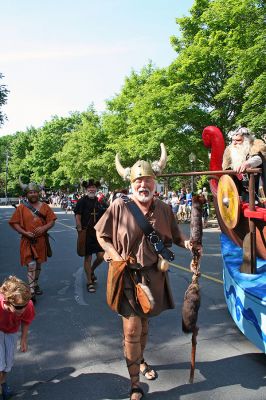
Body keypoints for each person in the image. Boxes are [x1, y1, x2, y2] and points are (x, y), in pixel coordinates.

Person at [95, 144, 198, 400]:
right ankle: (135, 383)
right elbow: (101, 234)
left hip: (153, 275)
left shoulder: (164, 208)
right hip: (126, 274)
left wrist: (188, 243)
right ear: (132, 184)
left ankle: (140, 359)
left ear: (155, 183)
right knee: (131, 329)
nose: (144, 185)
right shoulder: (119, 205)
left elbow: (176, 235)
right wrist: (114, 255)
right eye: (139, 181)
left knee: (144, 325)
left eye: (148, 180)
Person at [9, 179, 57, 303]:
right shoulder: (21, 208)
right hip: (27, 241)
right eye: (30, 192)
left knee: (38, 264)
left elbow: (52, 220)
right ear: (27, 194)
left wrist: (44, 228)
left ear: (38, 193)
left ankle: (34, 284)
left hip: (41, 241)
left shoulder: (45, 206)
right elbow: (14, 223)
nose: (33, 194)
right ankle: (31, 291)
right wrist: (25, 233)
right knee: (31, 265)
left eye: (35, 192)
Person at [0, 276, 35, 400]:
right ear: (7, 301)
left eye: (25, 305)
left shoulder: (27, 304)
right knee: (0, 363)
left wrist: (23, 339)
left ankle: (2, 383)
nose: (23, 310)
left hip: (11, 331)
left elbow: (26, 321)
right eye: (18, 307)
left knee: (8, 363)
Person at [74, 179, 107, 293]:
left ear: (96, 189)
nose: (92, 189)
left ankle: (92, 270)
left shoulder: (101, 202)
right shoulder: (82, 201)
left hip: (98, 233)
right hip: (87, 232)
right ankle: (89, 282)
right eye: (89, 188)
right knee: (88, 257)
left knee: (101, 256)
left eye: (93, 188)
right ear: (86, 189)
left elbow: (107, 215)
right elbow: (77, 215)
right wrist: (79, 227)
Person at [222, 127, 266, 202]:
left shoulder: (254, 146)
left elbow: (259, 159)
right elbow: (226, 168)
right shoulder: (229, 151)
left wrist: (247, 163)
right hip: (239, 190)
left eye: (238, 140)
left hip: (257, 187)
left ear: (246, 140)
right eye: (232, 140)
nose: (234, 143)